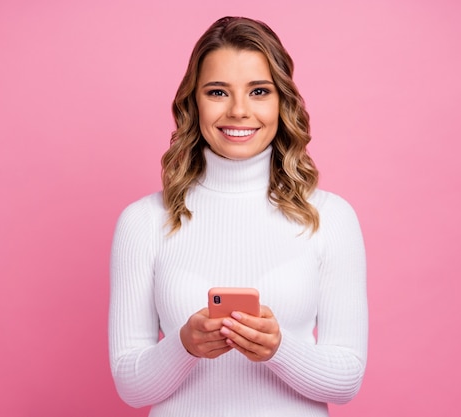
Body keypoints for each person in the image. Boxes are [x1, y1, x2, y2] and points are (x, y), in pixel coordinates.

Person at [109, 16, 368, 417]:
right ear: (193, 102)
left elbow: (346, 379)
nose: (239, 110)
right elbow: (130, 384)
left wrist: (279, 349)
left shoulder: (330, 217)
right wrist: (184, 346)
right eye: (217, 92)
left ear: (282, 101)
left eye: (259, 91)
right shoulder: (143, 222)